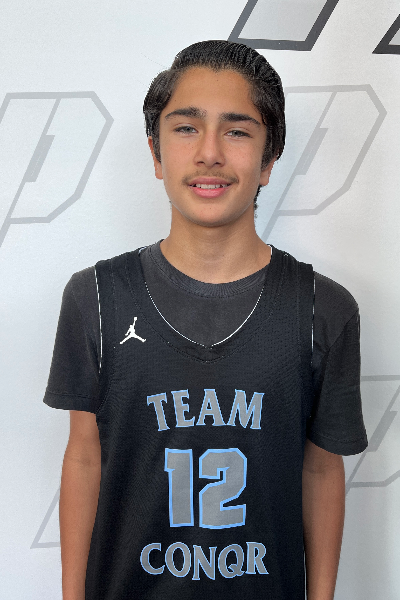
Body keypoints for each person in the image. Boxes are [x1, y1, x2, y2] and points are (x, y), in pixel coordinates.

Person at [43, 40, 368, 600]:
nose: (210, 152)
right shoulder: (94, 297)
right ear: (156, 153)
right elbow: (84, 456)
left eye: (237, 131)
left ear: (269, 160)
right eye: (187, 128)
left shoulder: (324, 309)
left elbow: (320, 471)